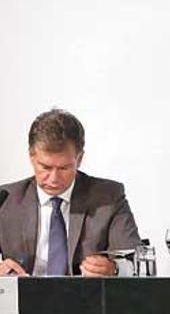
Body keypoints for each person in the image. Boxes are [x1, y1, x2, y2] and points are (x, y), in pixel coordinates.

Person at [0, 109, 141, 276]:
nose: (53, 178)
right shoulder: (5, 200)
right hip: (22, 300)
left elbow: (136, 262)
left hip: (86, 299)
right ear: (32, 157)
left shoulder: (108, 198)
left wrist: (115, 269)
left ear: (79, 159)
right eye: (45, 167)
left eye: (64, 168)